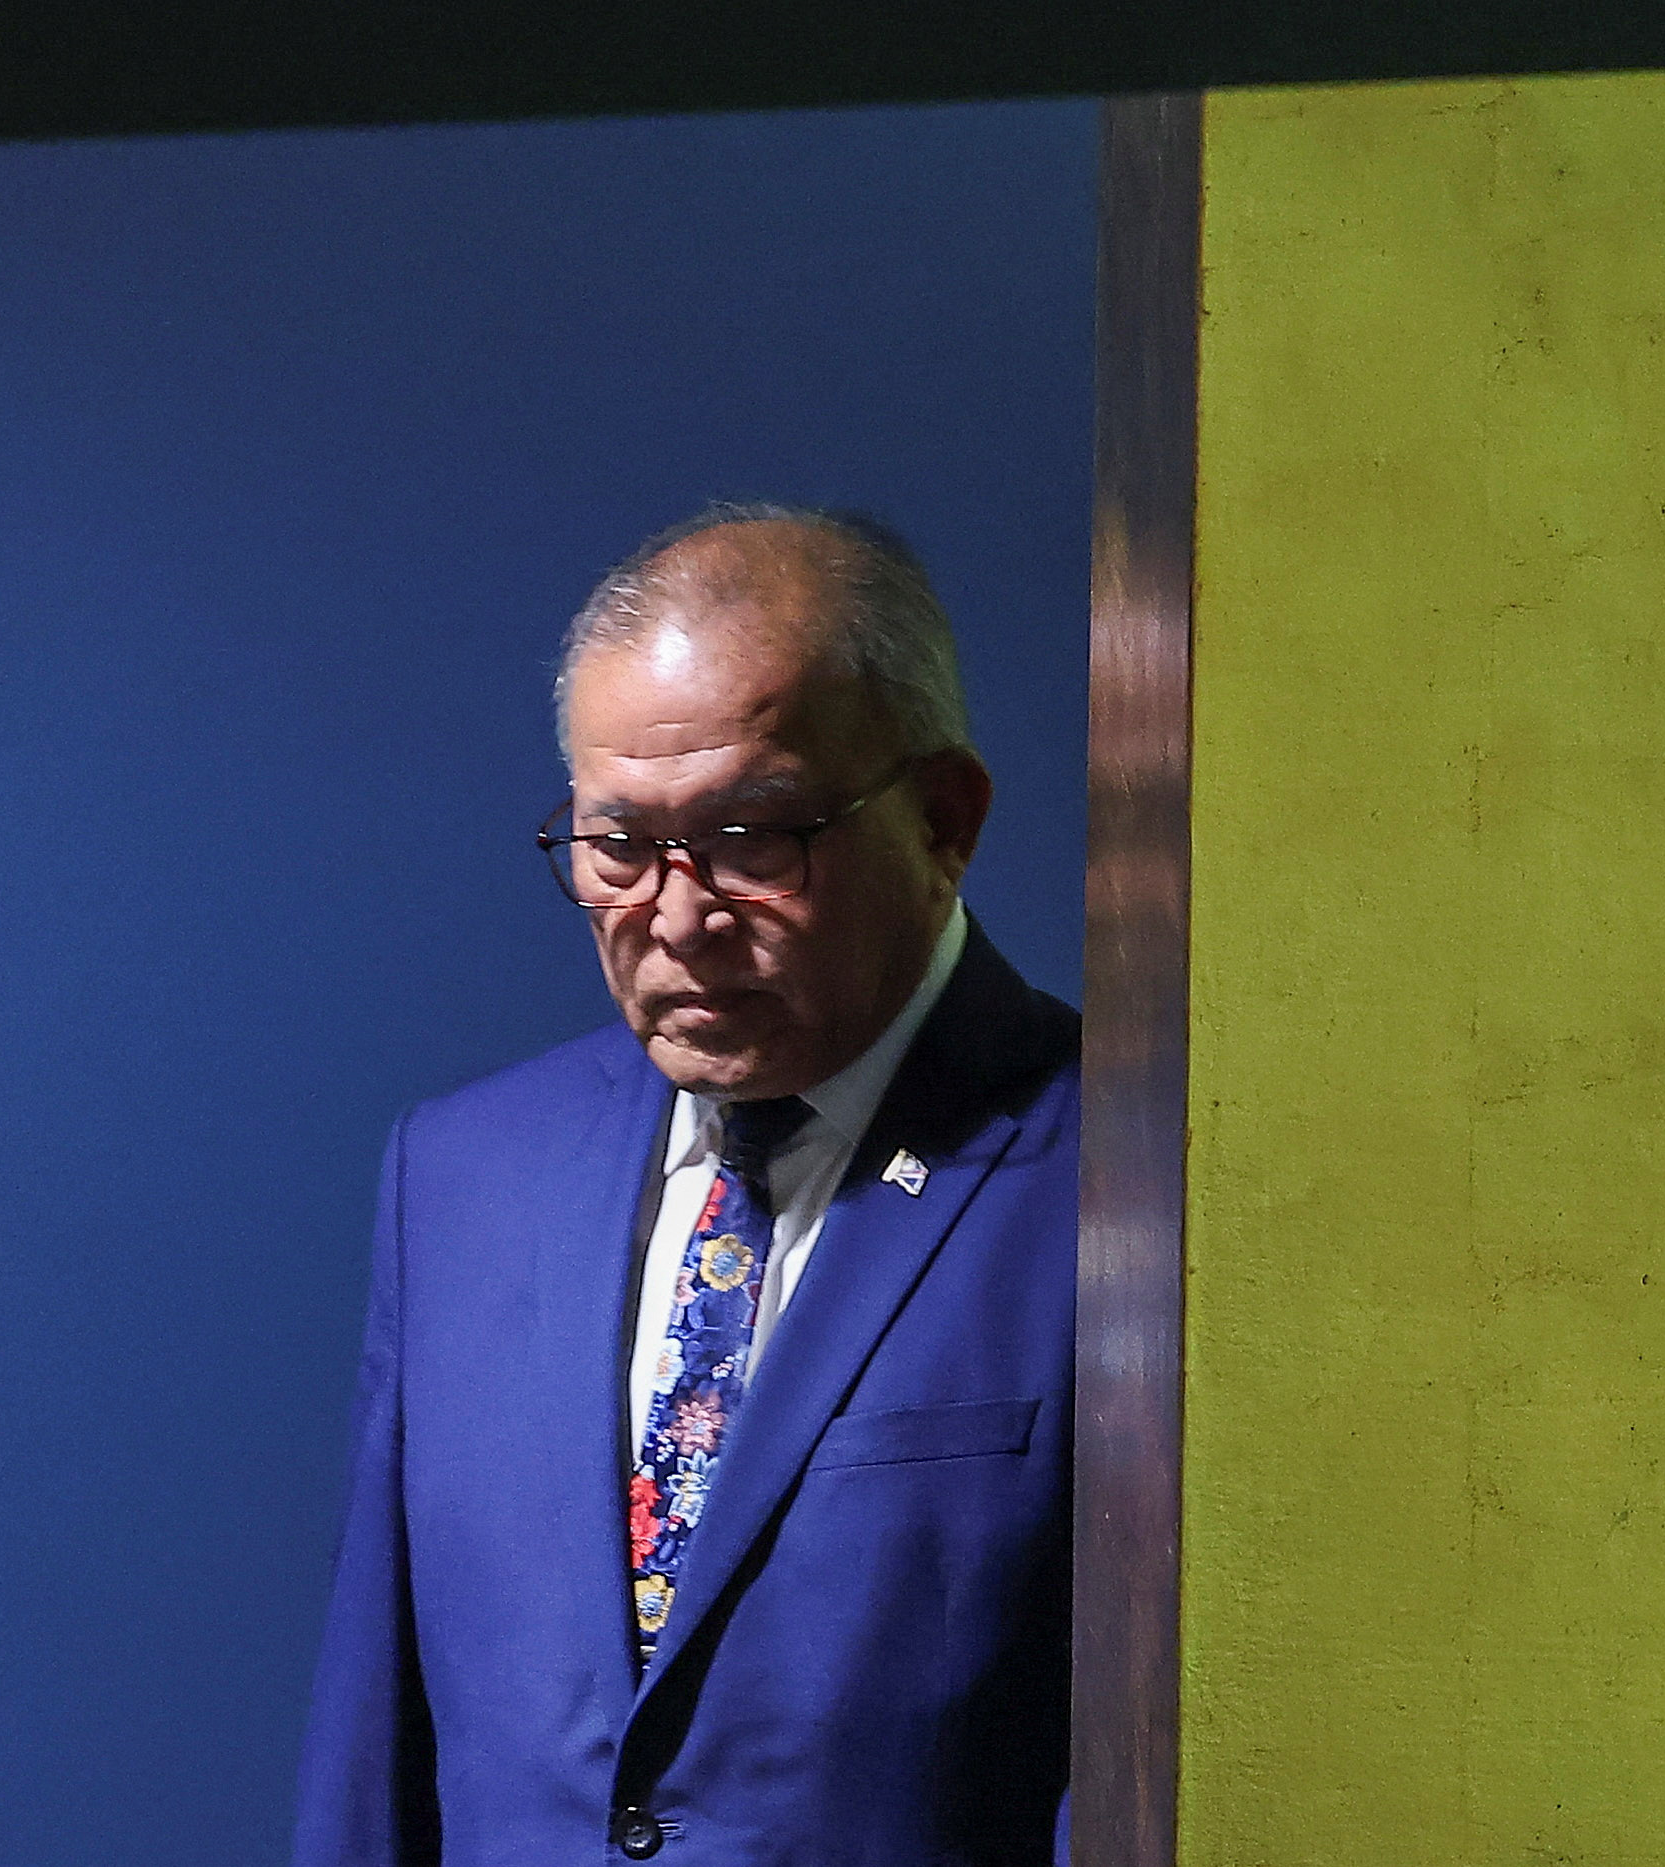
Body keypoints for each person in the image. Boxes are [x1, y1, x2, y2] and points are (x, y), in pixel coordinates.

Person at [293, 506, 1077, 1866]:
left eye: (754, 836)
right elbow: (380, 1745)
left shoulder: (1123, 1176)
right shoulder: (464, 1175)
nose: (675, 914)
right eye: (618, 845)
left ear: (945, 818)